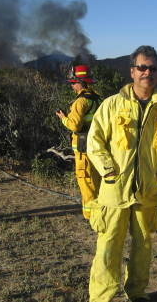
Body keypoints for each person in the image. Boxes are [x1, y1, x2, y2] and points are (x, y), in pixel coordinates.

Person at [86, 46, 157, 302]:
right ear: (132, 71)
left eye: (152, 68)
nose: (147, 72)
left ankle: (136, 293)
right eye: (142, 67)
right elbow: (95, 142)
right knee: (108, 248)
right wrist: (108, 171)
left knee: (143, 248)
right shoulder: (112, 105)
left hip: (147, 192)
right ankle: (101, 298)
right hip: (114, 190)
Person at [56, 64, 101, 220]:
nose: (72, 85)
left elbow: (74, 125)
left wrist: (63, 119)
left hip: (83, 150)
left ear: (80, 82)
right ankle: (100, 214)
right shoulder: (96, 98)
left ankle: (90, 217)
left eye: (73, 82)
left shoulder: (80, 101)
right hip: (96, 147)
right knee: (96, 182)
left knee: (86, 183)